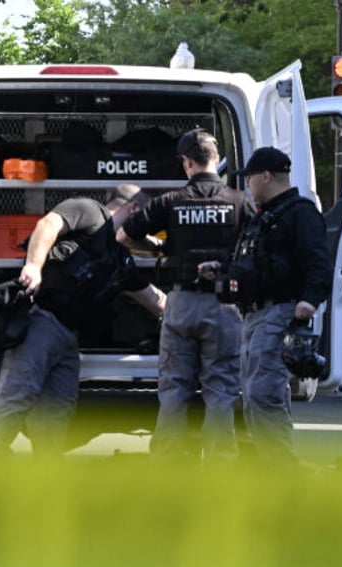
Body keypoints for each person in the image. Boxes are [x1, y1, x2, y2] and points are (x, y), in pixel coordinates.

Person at [0, 184, 166, 457]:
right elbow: (48, 224)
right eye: (145, 221)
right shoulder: (89, 211)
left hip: (69, 339)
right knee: (16, 392)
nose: (145, 231)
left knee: (58, 408)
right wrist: (33, 265)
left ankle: (47, 473)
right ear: (134, 209)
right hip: (41, 321)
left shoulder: (120, 260)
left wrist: (199, 313)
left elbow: (154, 300)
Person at [116, 129, 254, 465]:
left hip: (180, 304)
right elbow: (257, 249)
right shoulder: (240, 202)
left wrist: (158, 249)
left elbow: (123, 235)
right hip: (224, 305)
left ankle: (168, 466)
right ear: (215, 161)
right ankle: (220, 465)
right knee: (221, 390)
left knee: (174, 390)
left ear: (188, 162)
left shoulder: (169, 202)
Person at [221, 146, 332, 468]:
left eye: (251, 178)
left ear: (266, 176)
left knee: (263, 393)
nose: (248, 184)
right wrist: (222, 269)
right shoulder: (266, 215)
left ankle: (283, 470)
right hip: (255, 314)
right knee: (255, 393)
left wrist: (310, 300)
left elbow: (318, 261)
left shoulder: (299, 212)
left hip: (280, 312)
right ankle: (268, 466)